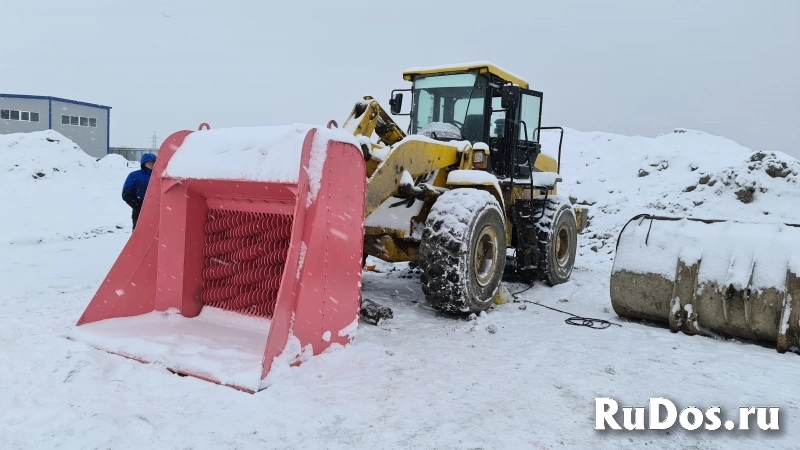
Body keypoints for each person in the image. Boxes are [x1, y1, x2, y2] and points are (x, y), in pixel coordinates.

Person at [121, 153, 157, 230]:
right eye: (148, 161)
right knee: (139, 233)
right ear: (143, 163)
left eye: (153, 161)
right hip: (139, 211)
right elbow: (126, 193)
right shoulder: (134, 175)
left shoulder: (161, 176)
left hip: (157, 210)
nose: (151, 163)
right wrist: (136, 205)